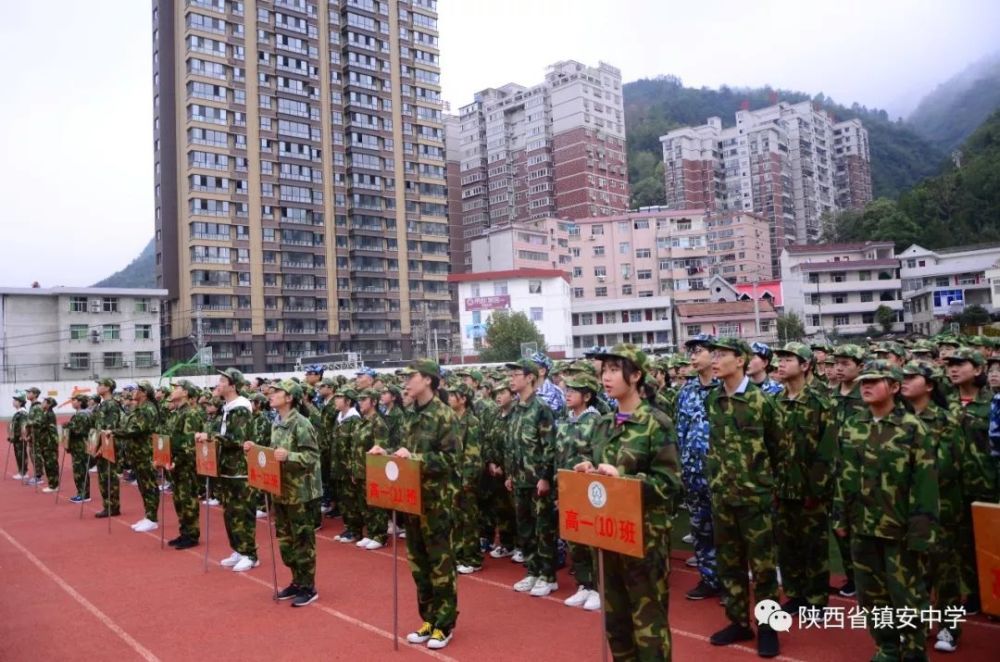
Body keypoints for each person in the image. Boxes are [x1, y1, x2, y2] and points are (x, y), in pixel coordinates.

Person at [574, 344, 682, 660]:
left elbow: (669, 483)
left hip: (644, 540)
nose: (605, 377)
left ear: (635, 375)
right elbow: (601, 479)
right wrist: (589, 472)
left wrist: (624, 480)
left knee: (648, 623)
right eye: (603, 370)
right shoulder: (605, 425)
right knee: (616, 623)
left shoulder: (655, 422)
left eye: (613, 370)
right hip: (609, 536)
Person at [833, 360, 938, 662]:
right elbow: (844, 474)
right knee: (871, 597)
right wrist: (840, 514)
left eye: (875, 381)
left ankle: (914, 651)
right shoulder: (854, 425)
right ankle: (887, 648)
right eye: (864, 380)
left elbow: (925, 484)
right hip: (862, 527)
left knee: (908, 596)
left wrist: (921, 532)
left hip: (900, 529)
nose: (865, 385)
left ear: (893, 387)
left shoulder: (912, 428)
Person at [371, 359, 460, 650]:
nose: (406, 382)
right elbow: (404, 451)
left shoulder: (444, 415)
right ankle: (429, 618)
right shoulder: (409, 414)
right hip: (412, 498)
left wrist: (416, 459)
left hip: (437, 502)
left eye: (412, 377)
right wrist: (386, 453)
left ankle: (444, 624)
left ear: (429, 381)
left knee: (440, 564)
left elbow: (450, 461)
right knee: (418, 564)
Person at [704, 337, 783, 658]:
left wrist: (766, 486)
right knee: (729, 563)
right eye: (714, 355)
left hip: (755, 498)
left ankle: (767, 627)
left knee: (763, 568)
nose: (714, 360)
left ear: (740, 360)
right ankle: (738, 621)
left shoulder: (762, 402)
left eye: (721, 355)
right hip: (723, 497)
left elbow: (779, 449)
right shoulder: (714, 401)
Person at [900, 361, 965, 653]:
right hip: (905, 509)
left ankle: (950, 627)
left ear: (929, 385)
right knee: (915, 571)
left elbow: (947, 467)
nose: (904, 382)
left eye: (911, 378)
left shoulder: (945, 420)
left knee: (945, 571)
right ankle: (921, 622)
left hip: (941, 507)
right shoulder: (898, 418)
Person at [243, 379, 322, 607]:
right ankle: (297, 581)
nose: (272, 394)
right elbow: (272, 454)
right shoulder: (276, 423)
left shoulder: (301, 423)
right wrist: (254, 449)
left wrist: (290, 456)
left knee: (303, 540)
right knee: (286, 541)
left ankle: (308, 586)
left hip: (300, 492)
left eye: (278, 391)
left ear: (289, 397)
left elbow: (312, 457)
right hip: (281, 490)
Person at [773, 342, 837, 614]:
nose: (782, 363)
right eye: (781, 358)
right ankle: (795, 594)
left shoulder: (820, 401)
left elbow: (828, 450)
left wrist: (817, 490)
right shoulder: (775, 401)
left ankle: (817, 600)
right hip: (783, 487)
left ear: (805, 365)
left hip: (812, 490)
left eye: (789, 359)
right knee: (787, 547)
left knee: (814, 546)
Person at [946, 347, 996, 615]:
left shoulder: (993, 404)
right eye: (951, 364)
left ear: (977, 369)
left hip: (988, 486)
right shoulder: (946, 405)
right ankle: (975, 594)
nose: (953, 369)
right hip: (956, 488)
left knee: (992, 546)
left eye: (960, 364)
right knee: (963, 546)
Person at [197, 368, 259, 573]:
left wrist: (210, 437)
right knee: (230, 511)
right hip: (227, 467)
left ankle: (250, 553)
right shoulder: (227, 407)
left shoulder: (240, 408)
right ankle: (238, 549)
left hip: (239, 467)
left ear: (233, 385)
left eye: (223, 380)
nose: (219, 383)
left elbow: (238, 439)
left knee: (242, 510)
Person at [506, 358, 558, 597]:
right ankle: (532, 570)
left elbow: (549, 446)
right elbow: (511, 443)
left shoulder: (541, 408)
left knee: (543, 528)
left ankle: (547, 575)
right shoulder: (516, 408)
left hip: (537, 479)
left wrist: (546, 476)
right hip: (519, 479)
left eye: (516, 374)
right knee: (524, 528)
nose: (511, 379)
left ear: (530, 377)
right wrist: (509, 473)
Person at [675, 334, 721, 600]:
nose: (692, 356)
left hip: (720, 473)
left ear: (714, 354)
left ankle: (730, 582)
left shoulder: (725, 388)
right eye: (690, 351)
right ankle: (709, 578)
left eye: (699, 350)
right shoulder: (687, 391)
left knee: (725, 530)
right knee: (700, 527)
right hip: (693, 473)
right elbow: (681, 430)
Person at [555, 373, 602, 611]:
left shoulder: (595, 421)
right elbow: (559, 454)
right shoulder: (565, 420)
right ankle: (584, 584)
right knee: (574, 537)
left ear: (587, 396)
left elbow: (598, 455)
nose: (568, 394)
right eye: (567, 390)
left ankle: (597, 587)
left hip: (587, 488)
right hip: (568, 486)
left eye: (574, 391)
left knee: (591, 538)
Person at [829, 344, 868, 597]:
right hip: (834, 473)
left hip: (860, 473)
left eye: (846, 363)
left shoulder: (865, 396)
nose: (839, 368)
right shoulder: (831, 396)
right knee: (839, 526)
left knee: (862, 528)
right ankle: (851, 577)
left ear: (861, 367)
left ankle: (866, 578)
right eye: (837, 363)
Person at [165, 381, 206, 550]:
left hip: (186, 464)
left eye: (177, 388)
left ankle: (192, 534)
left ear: (186, 393)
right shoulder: (178, 412)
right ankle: (184, 532)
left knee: (187, 499)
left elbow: (189, 444)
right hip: (177, 464)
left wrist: (177, 461)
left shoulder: (190, 413)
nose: (173, 390)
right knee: (179, 499)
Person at [115, 382, 160, 532]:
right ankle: (148, 515)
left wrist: (115, 432)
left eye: (138, 389)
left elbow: (136, 429)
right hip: (138, 453)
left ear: (145, 393)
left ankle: (152, 518)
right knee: (143, 485)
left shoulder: (147, 408)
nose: (135, 392)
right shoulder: (141, 407)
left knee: (149, 485)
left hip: (145, 452)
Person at [448, 382, 482, 573]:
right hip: (452, 478)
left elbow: (473, 455)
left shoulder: (472, 422)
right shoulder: (451, 419)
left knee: (469, 519)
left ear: (464, 400)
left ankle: (472, 558)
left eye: (454, 395)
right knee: (456, 519)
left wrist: (467, 481)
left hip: (466, 478)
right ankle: (459, 554)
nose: (450, 398)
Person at [484, 380, 518, 560]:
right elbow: (488, 440)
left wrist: (504, 467)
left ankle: (520, 545)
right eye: (496, 393)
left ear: (512, 395)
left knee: (515, 510)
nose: (498, 397)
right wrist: (491, 463)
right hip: (495, 471)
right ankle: (506, 544)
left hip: (511, 471)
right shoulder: (495, 416)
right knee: (501, 509)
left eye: (502, 393)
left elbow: (513, 446)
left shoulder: (517, 415)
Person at [353, 388, 390, 550]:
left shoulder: (378, 423)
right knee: (365, 504)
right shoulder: (362, 421)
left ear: (373, 402)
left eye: (364, 399)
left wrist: (375, 473)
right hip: (360, 469)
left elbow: (379, 448)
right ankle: (371, 532)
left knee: (376, 504)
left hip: (373, 471)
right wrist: (355, 470)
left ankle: (380, 535)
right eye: (359, 399)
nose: (360, 402)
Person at [331, 386, 362, 543]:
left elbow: (355, 447)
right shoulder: (339, 417)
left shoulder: (354, 419)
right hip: (338, 467)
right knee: (343, 499)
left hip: (349, 468)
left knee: (351, 500)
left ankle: (356, 531)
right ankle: (349, 528)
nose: (336, 400)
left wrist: (353, 469)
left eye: (339, 397)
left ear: (348, 401)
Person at [93, 378, 124, 518]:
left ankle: (113, 506)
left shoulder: (111, 405)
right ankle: (107, 505)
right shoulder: (102, 404)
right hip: (101, 445)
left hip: (108, 446)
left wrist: (102, 448)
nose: (98, 387)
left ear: (108, 387)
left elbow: (109, 429)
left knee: (109, 477)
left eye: (100, 385)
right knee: (103, 477)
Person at [66, 394, 95, 503]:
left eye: (74, 400)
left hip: (80, 446)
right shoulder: (84, 414)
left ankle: (83, 494)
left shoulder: (82, 415)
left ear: (80, 402)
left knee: (80, 470)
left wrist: (69, 427)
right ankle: (83, 493)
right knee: (81, 469)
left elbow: (80, 431)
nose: (72, 402)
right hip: (81, 445)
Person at [9, 392, 30, 480]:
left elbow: (24, 425)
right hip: (16, 438)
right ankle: (21, 471)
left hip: (20, 438)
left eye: (15, 400)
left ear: (20, 402)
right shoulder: (18, 413)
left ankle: (23, 472)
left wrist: (23, 436)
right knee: (18, 454)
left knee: (21, 454)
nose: (13, 402)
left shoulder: (22, 413)